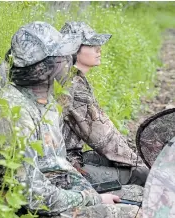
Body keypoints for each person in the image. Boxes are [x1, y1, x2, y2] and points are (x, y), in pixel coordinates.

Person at [0, 21, 144, 218]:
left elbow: (58, 168)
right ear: (45, 67)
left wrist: (92, 196)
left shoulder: (43, 102)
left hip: (57, 201)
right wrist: (88, 199)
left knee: (143, 197)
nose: (68, 62)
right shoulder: (12, 114)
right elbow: (31, 196)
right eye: (62, 58)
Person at [58, 21, 149, 187]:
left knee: (132, 164)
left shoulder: (72, 78)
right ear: (73, 49)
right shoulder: (73, 86)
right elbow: (103, 138)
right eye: (92, 45)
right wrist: (141, 164)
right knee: (144, 175)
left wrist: (134, 157)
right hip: (65, 167)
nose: (99, 49)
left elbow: (106, 132)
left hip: (70, 156)